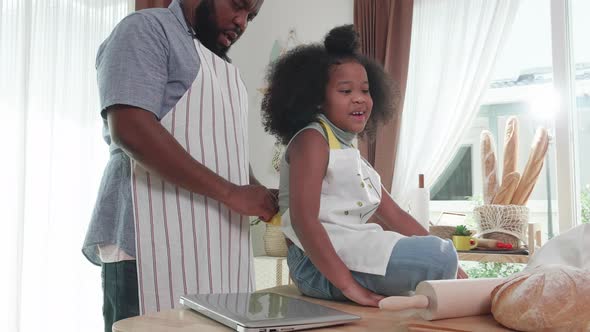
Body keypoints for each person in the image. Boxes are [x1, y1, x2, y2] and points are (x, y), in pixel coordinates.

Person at [82, 0, 277, 330]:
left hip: (217, 246)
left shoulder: (225, 70)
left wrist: (255, 189)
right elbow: (130, 128)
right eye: (238, 5)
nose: (242, 22)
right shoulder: (146, 30)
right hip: (144, 242)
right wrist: (231, 193)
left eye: (251, 16)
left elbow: (218, 146)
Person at [261, 25, 466, 308]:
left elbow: (394, 214)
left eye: (365, 90)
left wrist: (453, 263)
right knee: (436, 258)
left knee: (441, 254)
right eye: (346, 90)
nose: (359, 97)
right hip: (315, 266)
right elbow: (303, 221)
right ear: (317, 99)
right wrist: (348, 286)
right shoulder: (312, 140)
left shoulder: (349, 150)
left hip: (351, 247)